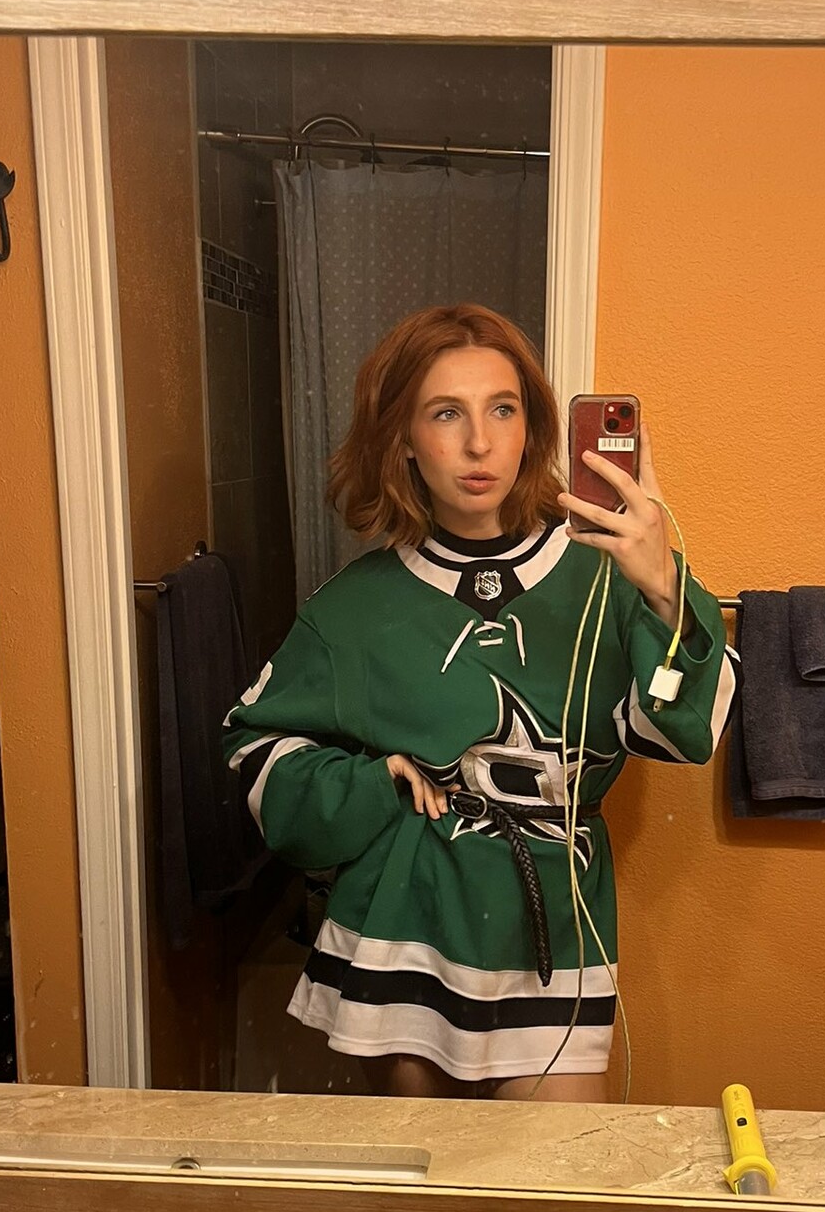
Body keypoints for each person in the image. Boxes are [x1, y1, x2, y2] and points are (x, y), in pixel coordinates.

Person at [223, 303, 736, 1101]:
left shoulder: (609, 572)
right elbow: (253, 746)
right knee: (428, 1175)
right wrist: (370, 782)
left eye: (503, 410)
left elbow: (685, 732)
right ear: (402, 437)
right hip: (403, 923)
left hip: (553, 925)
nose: (478, 443)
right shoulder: (353, 607)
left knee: (557, 1171)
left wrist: (664, 586)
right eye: (445, 414)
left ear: (533, 429)